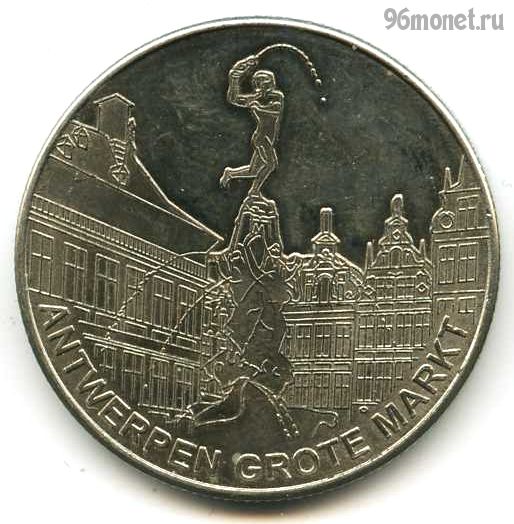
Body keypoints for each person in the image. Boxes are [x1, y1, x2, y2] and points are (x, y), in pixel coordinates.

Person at [219, 54, 284, 195]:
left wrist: (257, 107)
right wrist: (234, 78)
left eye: (265, 82)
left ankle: (230, 173)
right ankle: (254, 192)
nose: (262, 85)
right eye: (259, 82)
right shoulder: (255, 98)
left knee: (253, 171)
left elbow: (274, 110)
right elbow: (233, 99)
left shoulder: (276, 96)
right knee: (270, 164)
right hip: (261, 137)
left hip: (268, 138)